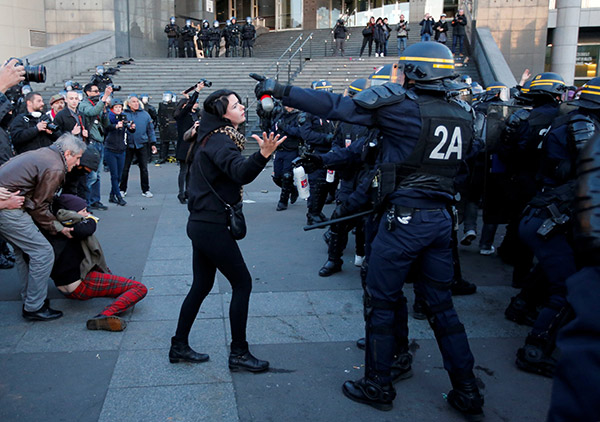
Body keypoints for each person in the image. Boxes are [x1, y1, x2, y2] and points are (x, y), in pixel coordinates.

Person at [254, 41, 484, 419]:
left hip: (403, 220)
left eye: (402, 68)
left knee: (381, 300)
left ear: (414, 72)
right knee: (442, 307)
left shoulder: (404, 107)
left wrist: (280, 90)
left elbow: (335, 106)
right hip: (441, 220)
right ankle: (468, 390)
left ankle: (378, 384)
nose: (398, 74)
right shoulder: (462, 113)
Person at [170, 89, 285, 372]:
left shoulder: (209, 136)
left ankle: (179, 346)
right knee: (242, 283)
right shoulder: (221, 140)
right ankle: (239, 354)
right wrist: (263, 155)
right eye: (236, 105)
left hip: (201, 223)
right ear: (222, 114)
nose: (242, 108)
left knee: (201, 285)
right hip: (210, 225)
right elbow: (240, 172)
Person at [0, 134, 86, 321]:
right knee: (43, 252)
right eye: (77, 157)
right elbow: (39, 205)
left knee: (23, 251)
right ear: (68, 153)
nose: (77, 163)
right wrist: (58, 227)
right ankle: (33, 306)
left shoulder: (45, 153)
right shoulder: (56, 166)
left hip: (9, 203)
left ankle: (31, 298)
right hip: (8, 209)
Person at [44, 194, 148, 331]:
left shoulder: (56, 227)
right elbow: (89, 227)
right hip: (81, 285)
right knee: (139, 288)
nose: (87, 213)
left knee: (98, 264)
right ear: (71, 213)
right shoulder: (74, 229)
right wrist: (90, 219)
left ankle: (118, 285)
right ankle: (104, 315)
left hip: (65, 286)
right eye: (83, 211)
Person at [79, 83, 112, 210]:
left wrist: (104, 112)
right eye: (95, 91)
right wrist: (104, 99)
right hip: (90, 143)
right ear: (88, 93)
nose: (98, 93)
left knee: (97, 175)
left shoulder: (98, 104)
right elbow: (91, 112)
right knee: (91, 175)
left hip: (99, 142)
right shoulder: (84, 104)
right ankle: (85, 202)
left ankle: (95, 200)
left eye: (99, 91)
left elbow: (106, 123)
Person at [120, 94, 158, 198]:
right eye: (133, 102)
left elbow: (150, 130)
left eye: (137, 101)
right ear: (128, 103)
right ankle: (122, 189)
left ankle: (146, 190)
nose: (136, 104)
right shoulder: (124, 114)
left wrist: (153, 144)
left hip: (142, 143)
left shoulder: (145, 115)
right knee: (125, 168)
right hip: (128, 145)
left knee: (144, 168)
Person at [173, 82, 205, 204]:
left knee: (191, 171)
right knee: (184, 170)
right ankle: (181, 193)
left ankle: (188, 191)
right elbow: (189, 105)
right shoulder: (182, 115)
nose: (195, 104)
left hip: (193, 145)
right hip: (184, 146)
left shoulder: (194, 115)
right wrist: (196, 91)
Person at [105, 99, 135, 206]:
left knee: (120, 174)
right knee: (114, 175)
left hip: (121, 148)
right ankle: (118, 196)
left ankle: (112, 195)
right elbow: (106, 128)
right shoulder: (109, 117)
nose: (118, 109)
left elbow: (127, 128)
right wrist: (115, 126)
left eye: (120, 107)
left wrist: (131, 128)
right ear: (112, 108)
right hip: (111, 148)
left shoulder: (123, 116)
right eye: (116, 107)